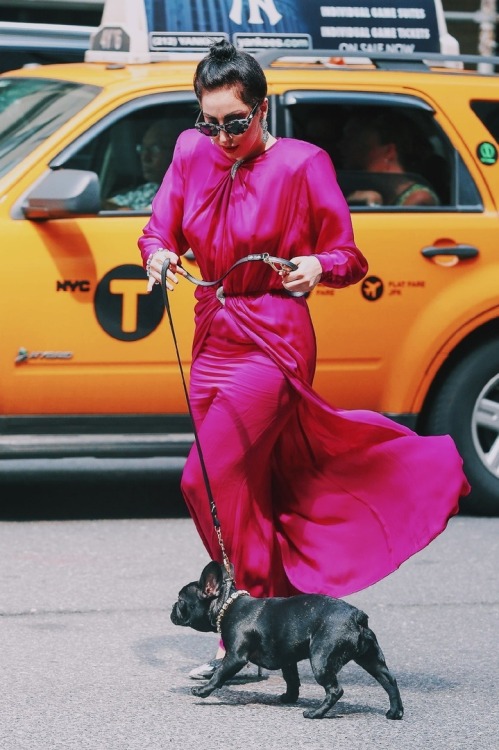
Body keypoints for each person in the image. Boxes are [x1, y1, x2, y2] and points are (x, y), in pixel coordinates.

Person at [138, 41, 469, 678]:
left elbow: (349, 256)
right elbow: (159, 229)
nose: (224, 135)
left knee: (204, 476)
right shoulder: (189, 151)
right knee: (243, 490)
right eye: (211, 122)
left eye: (237, 121)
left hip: (274, 337)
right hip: (212, 331)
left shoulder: (303, 164)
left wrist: (317, 266)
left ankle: (247, 614)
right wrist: (156, 254)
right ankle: (261, 622)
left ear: (262, 109)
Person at [340, 108, 440, 207]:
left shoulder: (418, 198)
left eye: (362, 147)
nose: (346, 150)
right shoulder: (383, 194)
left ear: (389, 152)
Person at [105, 121, 173, 210]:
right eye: (143, 148)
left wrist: (125, 211)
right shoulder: (151, 188)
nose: (145, 158)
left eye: (155, 149)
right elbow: (105, 204)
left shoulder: (186, 194)